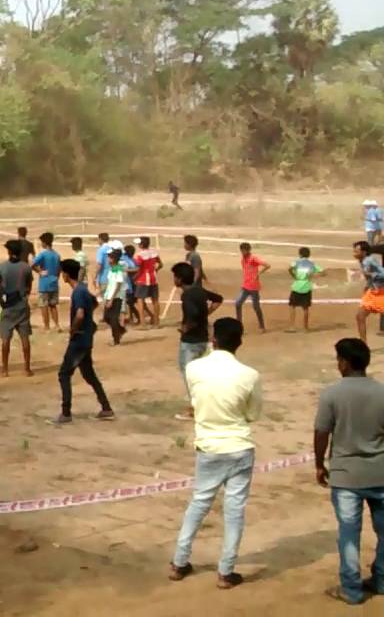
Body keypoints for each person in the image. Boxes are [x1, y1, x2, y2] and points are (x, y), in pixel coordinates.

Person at [168, 318, 261, 590]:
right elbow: (253, 414)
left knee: (199, 503)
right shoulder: (250, 375)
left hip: (209, 446)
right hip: (239, 445)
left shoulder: (195, 368)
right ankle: (226, 570)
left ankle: (179, 561)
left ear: (214, 340)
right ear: (240, 342)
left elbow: (197, 399)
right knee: (235, 510)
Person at [314, 338, 384, 605]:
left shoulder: (332, 394)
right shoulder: (381, 392)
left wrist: (320, 464)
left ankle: (352, 590)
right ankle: (381, 580)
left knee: (349, 532)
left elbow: (322, 432)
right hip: (380, 472)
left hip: (346, 476)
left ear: (343, 363)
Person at [50, 259, 114, 425]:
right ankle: (106, 407)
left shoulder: (77, 292)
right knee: (88, 374)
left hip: (79, 339)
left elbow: (79, 314)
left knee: (64, 374)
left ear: (65, 274)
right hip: (86, 338)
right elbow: (93, 304)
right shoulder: (83, 289)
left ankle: (66, 412)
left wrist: (74, 329)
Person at [171, 263, 224, 423]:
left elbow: (193, 314)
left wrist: (186, 327)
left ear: (179, 279)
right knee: (201, 375)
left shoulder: (186, 295)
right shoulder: (199, 290)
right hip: (203, 338)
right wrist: (205, 315)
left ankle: (194, 409)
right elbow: (218, 299)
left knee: (189, 376)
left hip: (190, 341)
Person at [0, 240, 34, 376]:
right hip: (22, 304)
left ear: (9, 251)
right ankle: (27, 368)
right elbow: (29, 286)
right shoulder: (26, 267)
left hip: (8, 306)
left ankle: (5, 369)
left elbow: (0, 288)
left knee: (6, 338)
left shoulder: (2, 267)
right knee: (25, 337)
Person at [287, 247, 324, 333]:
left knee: (292, 306)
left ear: (300, 254)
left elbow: (289, 268)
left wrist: (294, 275)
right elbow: (323, 272)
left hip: (296, 285)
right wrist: (312, 276)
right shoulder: (311, 264)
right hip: (306, 286)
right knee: (305, 308)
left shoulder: (296, 262)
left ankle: (292, 327)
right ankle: (305, 328)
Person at [31, 232, 62, 332]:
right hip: (54, 282)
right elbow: (59, 270)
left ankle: (47, 326)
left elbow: (32, 264)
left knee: (43, 305)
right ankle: (57, 325)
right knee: (53, 305)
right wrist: (56, 277)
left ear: (44, 242)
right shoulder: (57, 255)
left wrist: (39, 271)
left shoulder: (43, 254)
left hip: (44, 283)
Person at [354, 241, 384, 344]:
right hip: (372, 292)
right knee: (360, 316)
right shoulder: (362, 261)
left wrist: (371, 275)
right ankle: (363, 344)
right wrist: (367, 286)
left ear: (364, 252)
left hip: (381, 293)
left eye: (357, 251)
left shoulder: (370, 260)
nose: (354, 253)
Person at [235, 243, 270, 332]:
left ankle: (262, 326)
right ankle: (239, 326)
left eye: (244, 250)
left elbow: (267, 265)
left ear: (248, 250)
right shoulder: (243, 259)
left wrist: (258, 274)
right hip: (246, 286)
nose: (243, 252)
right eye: (242, 250)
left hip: (254, 287)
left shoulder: (253, 258)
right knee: (238, 304)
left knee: (256, 307)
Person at [134, 237, 163, 327]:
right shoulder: (154, 253)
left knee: (140, 300)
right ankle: (156, 322)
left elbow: (138, 269)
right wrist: (155, 271)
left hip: (143, 279)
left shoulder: (139, 255)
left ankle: (143, 323)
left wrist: (135, 278)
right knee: (155, 300)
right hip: (153, 279)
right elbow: (161, 264)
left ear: (141, 245)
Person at [102, 248, 128, 345]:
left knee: (113, 318)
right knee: (107, 317)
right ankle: (120, 330)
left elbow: (118, 285)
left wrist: (111, 299)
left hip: (116, 297)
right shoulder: (113, 269)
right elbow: (110, 284)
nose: (108, 260)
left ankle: (116, 339)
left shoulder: (118, 269)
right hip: (110, 296)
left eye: (109, 258)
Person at [121, 244, 141, 327]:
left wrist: (127, 270)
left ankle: (133, 318)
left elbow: (137, 269)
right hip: (130, 284)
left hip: (128, 284)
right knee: (130, 303)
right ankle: (133, 318)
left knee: (129, 303)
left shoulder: (125, 259)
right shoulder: (131, 259)